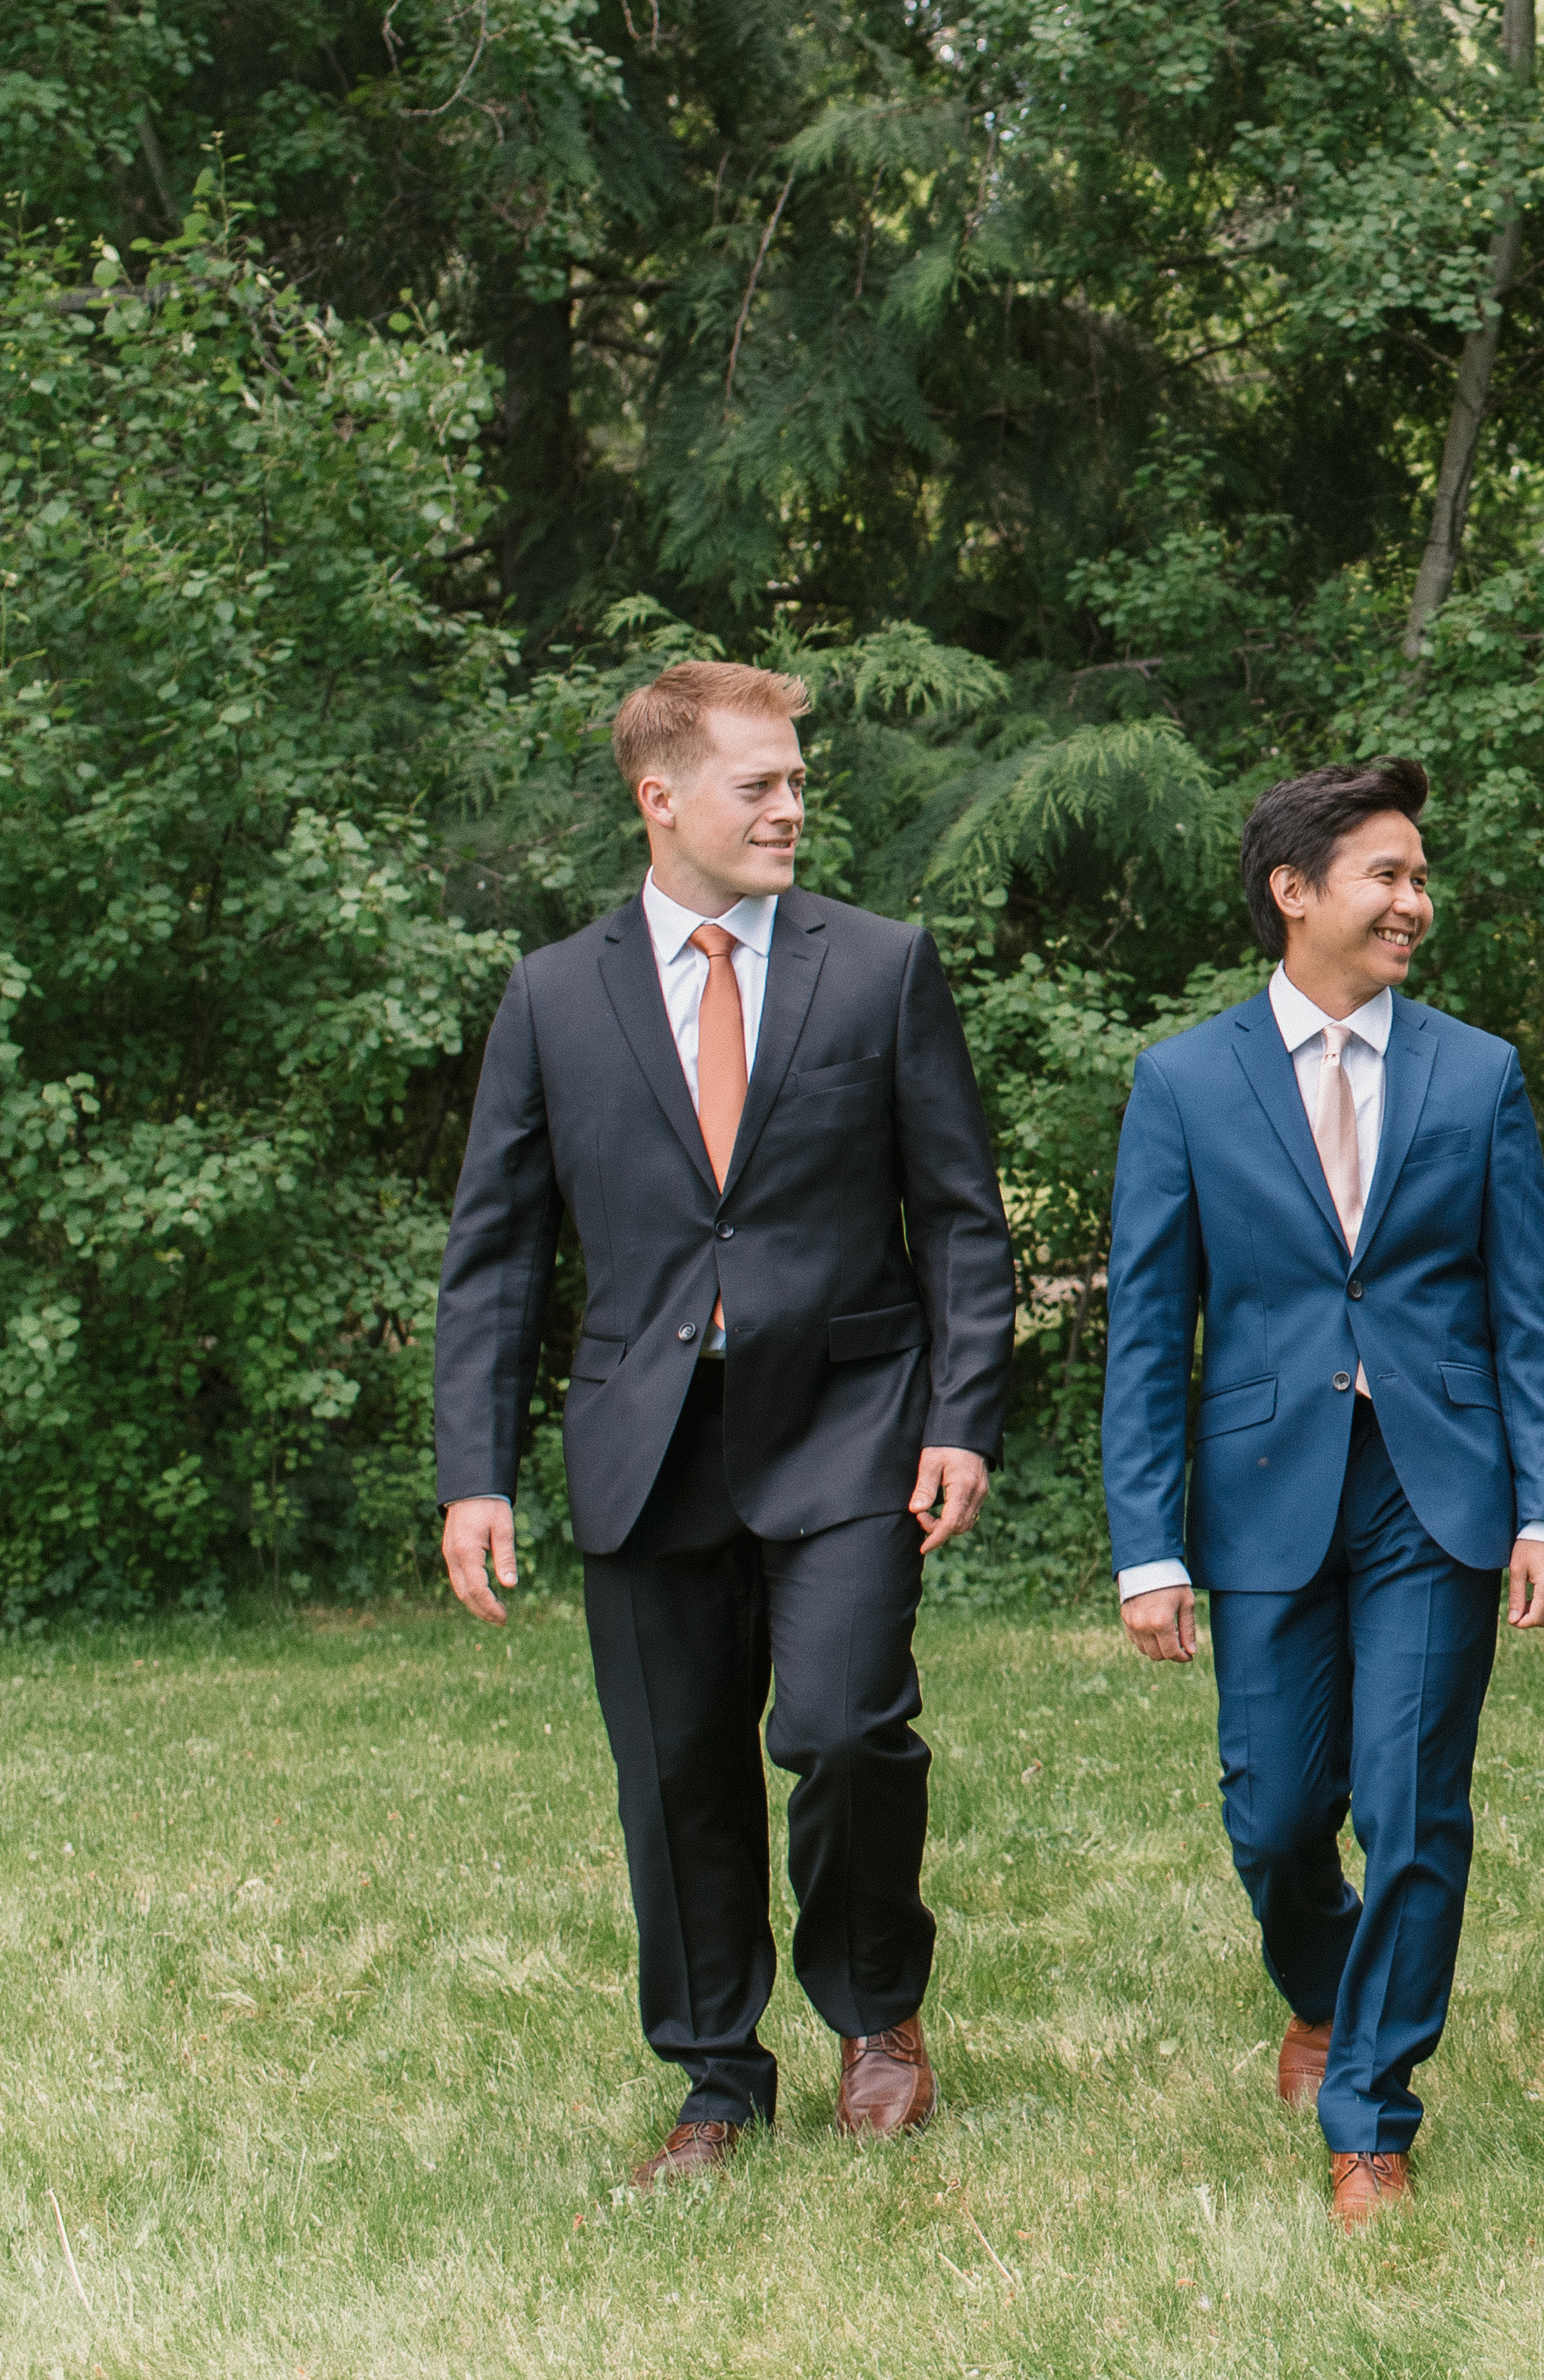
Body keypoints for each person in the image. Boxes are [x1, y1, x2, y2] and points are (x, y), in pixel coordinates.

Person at [433, 660, 1016, 2187]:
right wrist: (472, 1472)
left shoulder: (881, 965)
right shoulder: (556, 994)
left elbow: (958, 1215)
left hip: (846, 1424)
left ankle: (875, 2013)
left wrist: (961, 1414)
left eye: (796, 779)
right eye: (758, 782)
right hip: (645, 1443)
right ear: (661, 796)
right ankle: (714, 2075)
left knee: (841, 1727)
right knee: (677, 1766)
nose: (791, 805)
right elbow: (497, 1251)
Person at [1102, 761, 1544, 2231]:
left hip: (1437, 1492)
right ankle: (1321, 1987)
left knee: (1410, 1800)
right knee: (1273, 1811)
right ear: (1293, 891)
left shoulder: (1478, 1070)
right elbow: (1145, 1323)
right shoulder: (1183, 1079)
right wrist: (1147, 1543)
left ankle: (1369, 2107)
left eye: (1421, 876)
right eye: (1386, 874)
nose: (1413, 902)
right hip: (1258, 1493)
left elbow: (1529, 1312)